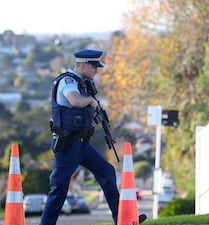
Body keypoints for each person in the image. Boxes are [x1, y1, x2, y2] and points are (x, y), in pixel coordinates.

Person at [40, 49, 146, 225]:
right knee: (59, 188)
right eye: (93, 67)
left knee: (107, 172)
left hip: (82, 145)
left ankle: (123, 219)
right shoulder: (68, 82)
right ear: (82, 65)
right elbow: (75, 101)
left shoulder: (82, 83)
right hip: (68, 145)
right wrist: (90, 101)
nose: (96, 71)